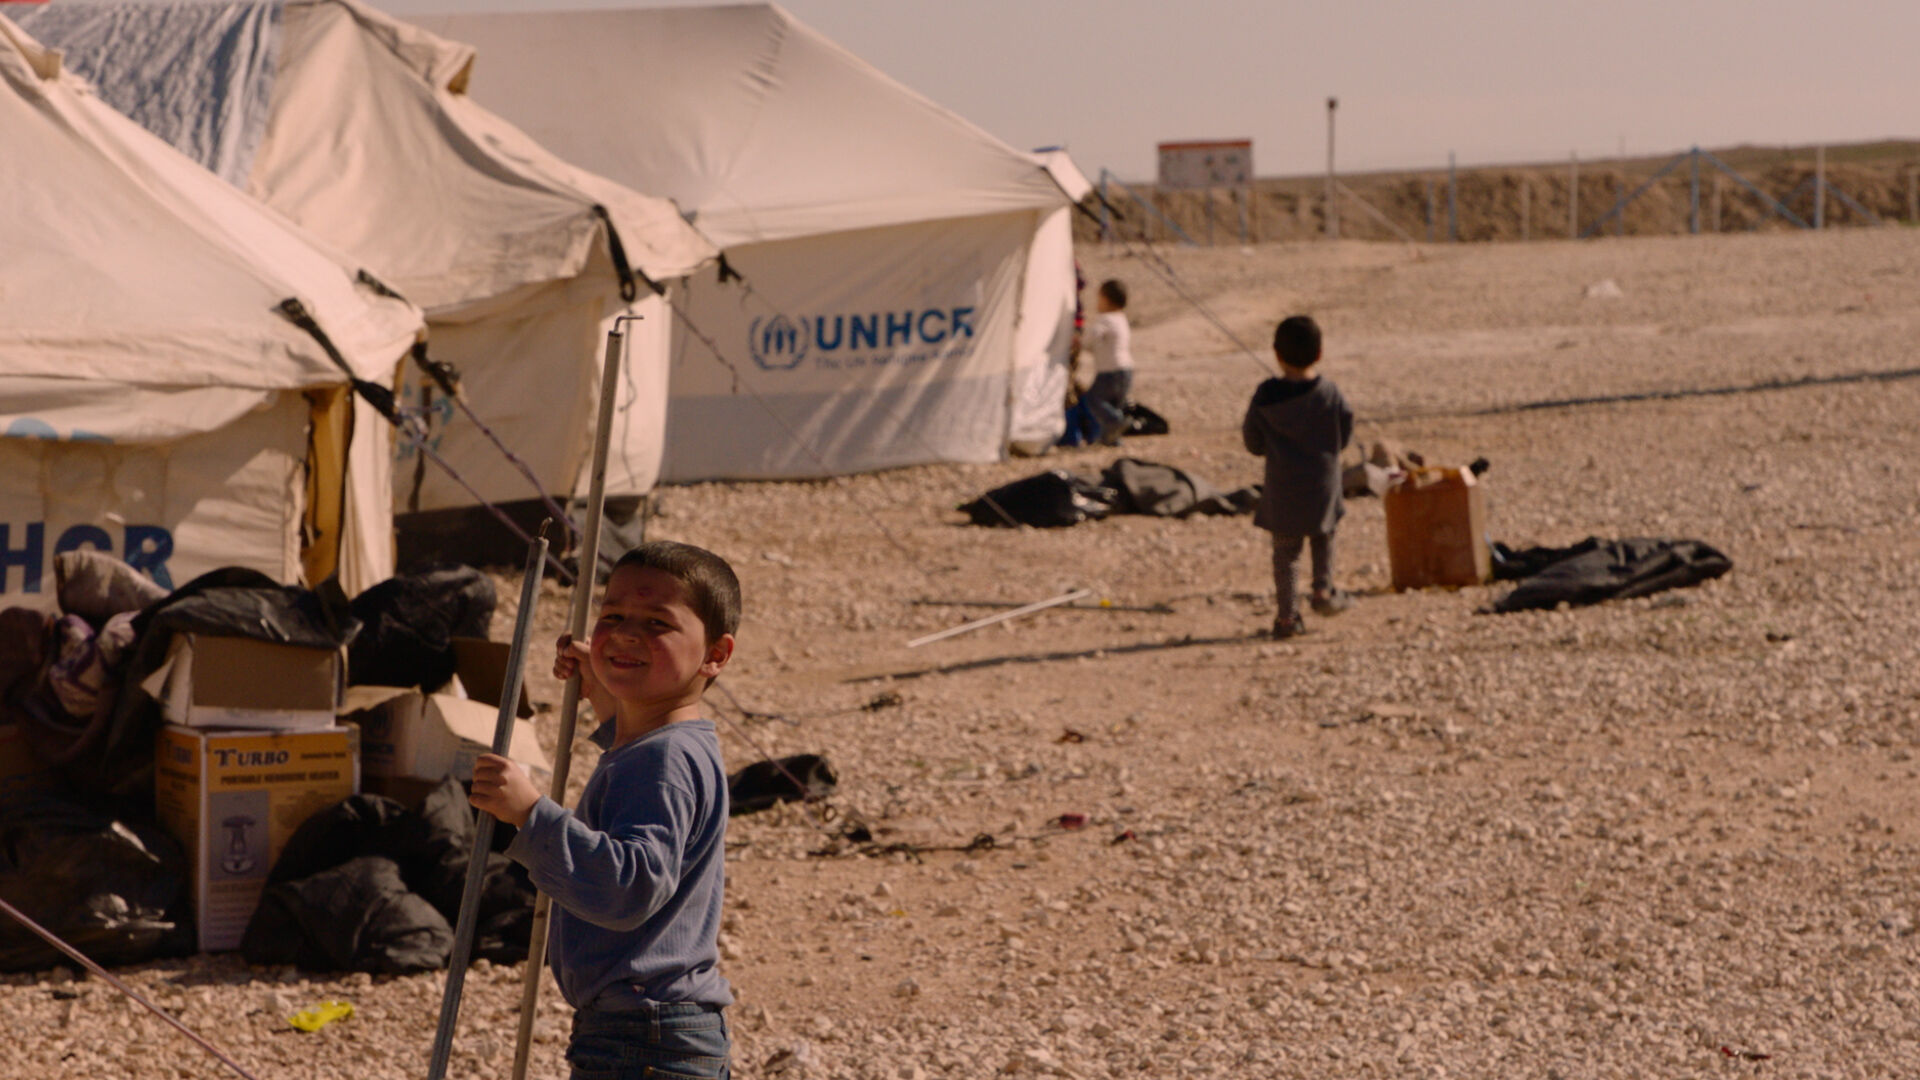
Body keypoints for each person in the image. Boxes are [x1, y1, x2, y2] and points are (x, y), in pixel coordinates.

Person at [469, 540, 739, 1080]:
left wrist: (531, 814)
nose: (625, 634)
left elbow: (630, 888)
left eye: (657, 623)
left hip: (643, 1039)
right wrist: (600, 690)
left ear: (715, 654)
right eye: (612, 616)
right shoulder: (668, 742)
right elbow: (634, 748)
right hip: (652, 1030)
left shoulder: (663, 759)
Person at [1242, 315, 1355, 639]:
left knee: (1286, 555)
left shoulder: (1266, 395)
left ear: (1276, 354)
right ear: (1319, 353)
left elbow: (1252, 441)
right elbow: (1344, 432)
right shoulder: (1330, 393)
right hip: (1322, 487)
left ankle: (1287, 618)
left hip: (1283, 490)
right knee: (1324, 536)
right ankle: (1323, 590)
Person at [1082, 278, 1134, 446]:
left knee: (1093, 400)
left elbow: (1092, 338)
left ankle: (1117, 421)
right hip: (1126, 370)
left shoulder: (1105, 319)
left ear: (1106, 299)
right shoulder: (1121, 319)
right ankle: (1111, 439)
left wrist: (1079, 343)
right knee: (1114, 404)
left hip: (1109, 371)